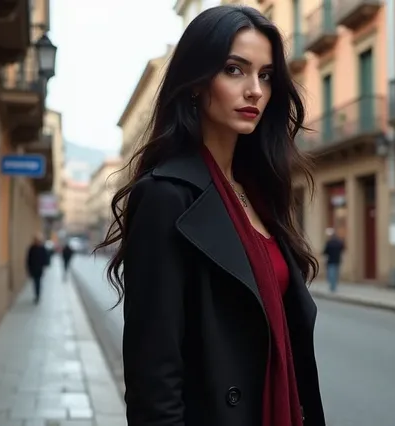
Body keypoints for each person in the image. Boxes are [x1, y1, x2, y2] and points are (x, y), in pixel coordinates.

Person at [95, 5, 325, 426]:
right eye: (235, 70)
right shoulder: (166, 196)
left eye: (266, 75)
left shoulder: (260, 193)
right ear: (197, 83)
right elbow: (154, 380)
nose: (255, 89)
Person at [26, 233, 50, 304]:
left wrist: (44, 266)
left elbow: (46, 258)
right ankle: (36, 294)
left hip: (39, 269)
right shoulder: (32, 248)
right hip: (33, 268)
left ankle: (38, 295)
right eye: (36, 240)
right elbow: (28, 259)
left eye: (38, 240)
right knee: (35, 282)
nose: (37, 241)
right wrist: (29, 268)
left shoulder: (42, 248)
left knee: (38, 282)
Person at [322, 227, 345, 292]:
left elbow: (325, 252)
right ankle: (334, 285)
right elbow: (342, 249)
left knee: (331, 273)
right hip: (337, 259)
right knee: (336, 273)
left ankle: (332, 286)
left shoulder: (329, 243)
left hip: (330, 260)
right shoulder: (339, 242)